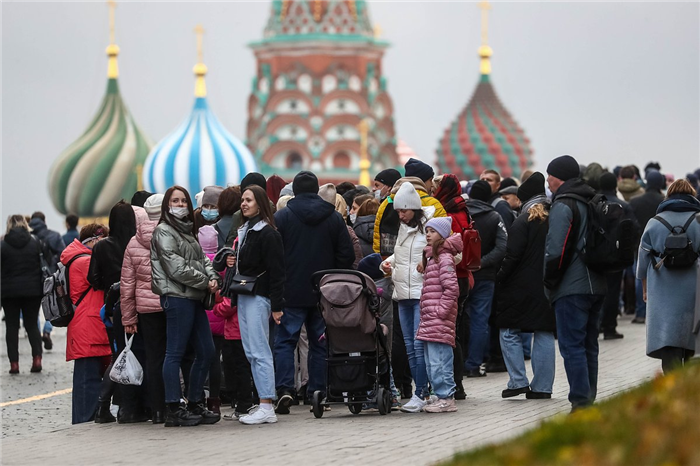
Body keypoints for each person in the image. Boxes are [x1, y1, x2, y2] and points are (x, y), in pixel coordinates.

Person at [273, 171, 355, 414]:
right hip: (324, 291)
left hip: (291, 291)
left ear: (295, 191)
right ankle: (317, 392)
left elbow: (275, 256)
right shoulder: (333, 218)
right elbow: (347, 255)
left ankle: (285, 389)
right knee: (320, 343)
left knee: (285, 342)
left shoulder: (282, 217)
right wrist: (333, 276)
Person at [151, 185, 222, 427]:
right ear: (166, 205)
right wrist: (206, 282)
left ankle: (194, 402)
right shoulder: (163, 231)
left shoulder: (188, 231)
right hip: (177, 297)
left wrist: (213, 277)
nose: (180, 205)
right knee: (175, 353)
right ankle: (173, 407)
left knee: (206, 351)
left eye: (183, 201)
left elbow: (203, 259)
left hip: (193, 297)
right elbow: (176, 268)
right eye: (176, 201)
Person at [544, 155, 606, 412]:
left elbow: (555, 250)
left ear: (558, 177)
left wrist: (549, 281)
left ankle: (580, 403)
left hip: (572, 287)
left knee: (572, 346)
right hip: (597, 283)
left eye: (549, 176)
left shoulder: (563, 204)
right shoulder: (592, 198)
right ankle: (588, 398)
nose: (547, 181)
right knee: (590, 345)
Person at [221, 185, 285, 425]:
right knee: (251, 351)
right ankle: (263, 402)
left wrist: (277, 305)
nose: (244, 204)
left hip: (259, 296)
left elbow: (278, 272)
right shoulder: (247, 230)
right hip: (245, 295)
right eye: (242, 200)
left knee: (259, 350)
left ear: (260, 202)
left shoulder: (267, 233)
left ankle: (267, 404)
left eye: (248, 200)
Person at [494, 173, 555, 399]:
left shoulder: (523, 221)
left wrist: (500, 277)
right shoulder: (555, 214)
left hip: (519, 285)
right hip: (548, 283)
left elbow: (512, 255)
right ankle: (543, 387)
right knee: (544, 330)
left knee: (508, 329)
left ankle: (518, 380)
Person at [381, 182, 436, 413]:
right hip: (402, 293)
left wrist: (429, 259)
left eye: (404, 210)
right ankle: (422, 391)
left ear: (414, 208)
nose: (400, 214)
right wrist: (388, 263)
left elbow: (451, 254)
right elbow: (402, 254)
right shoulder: (403, 228)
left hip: (421, 294)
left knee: (418, 344)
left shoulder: (430, 227)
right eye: (399, 211)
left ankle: (421, 392)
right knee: (410, 346)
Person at [88, 201, 145, 424]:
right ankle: (130, 406)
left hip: (113, 307)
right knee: (137, 354)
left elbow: (92, 279)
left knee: (120, 355)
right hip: (138, 304)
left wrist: (110, 283)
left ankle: (106, 405)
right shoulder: (136, 243)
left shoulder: (102, 246)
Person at [637, 179, 700, 373]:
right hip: (694, 290)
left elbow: (642, 261)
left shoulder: (654, 222)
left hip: (662, 291)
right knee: (692, 341)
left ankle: (673, 389)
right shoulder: (698, 220)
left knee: (668, 342)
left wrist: (645, 290)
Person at [120, 194, 167, 424]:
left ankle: (157, 410)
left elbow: (127, 285)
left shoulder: (132, 242)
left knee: (153, 358)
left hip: (146, 310)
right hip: (172, 304)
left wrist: (128, 317)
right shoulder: (172, 235)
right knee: (175, 355)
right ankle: (173, 403)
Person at [62, 223, 112, 423]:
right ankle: (83, 423)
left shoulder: (78, 258)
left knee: (89, 378)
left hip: (87, 325)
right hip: (87, 327)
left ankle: (85, 420)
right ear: (93, 240)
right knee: (87, 380)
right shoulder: (85, 262)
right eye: (104, 240)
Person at [433, 173, 474, 398]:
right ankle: (455, 383)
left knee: (451, 333)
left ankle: (455, 384)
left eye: (437, 186)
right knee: (455, 330)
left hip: (453, 277)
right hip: (462, 276)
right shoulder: (462, 209)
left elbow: (454, 247)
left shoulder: (448, 213)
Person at [417, 217, 463, 413]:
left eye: (432, 231)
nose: (428, 234)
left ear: (443, 235)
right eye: (426, 231)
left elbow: (452, 288)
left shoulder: (443, 258)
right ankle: (441, 394)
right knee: (432, 361)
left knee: (440, 361)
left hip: (438, 319)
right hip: (431, 319)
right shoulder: (433, 257)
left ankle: (446, 397)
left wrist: (440, 312)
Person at [463, 180, 508, 378]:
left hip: (462, 274)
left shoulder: (461, 215)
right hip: (485, 276)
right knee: (481, 320)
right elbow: (502, 247)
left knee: (461, 318)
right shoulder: (494, 216)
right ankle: (474, 364)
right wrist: (482, 262)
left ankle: (460, 362)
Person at [597, 173, 640, 340]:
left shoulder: (594, 204)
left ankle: (597, 324)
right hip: (615, 257)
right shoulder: (623, 206)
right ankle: (609, 327)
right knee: (613, 292)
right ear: (615, 185)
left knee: (597, 291)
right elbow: (634, 228)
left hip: (597, 256)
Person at [0, 215, 45, 374]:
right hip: (33, 291)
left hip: (9, 292)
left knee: (11, 328)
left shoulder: (2, 245)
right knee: (32, 325)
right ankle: (37, 359)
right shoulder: (35, 242)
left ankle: (14, 364)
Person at [373, 160, 445, 256]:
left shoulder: (387, 202)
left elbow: (378, 239)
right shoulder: (432, 204)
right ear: (422, 180)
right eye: (430, 180)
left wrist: (382, 263)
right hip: (426, 265)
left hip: (390, 264)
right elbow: (446, 237)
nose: (432, 184)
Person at [629, 170, 666, 324]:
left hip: (640, 244)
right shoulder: (663, 201)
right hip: (661, 247)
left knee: (640, 277)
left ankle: (640, 312)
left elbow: (631, 224)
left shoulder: (635, 201)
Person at [198, 225, 226, 415]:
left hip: (202, 319)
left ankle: (198, 396)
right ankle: (214, 400)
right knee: (216, 359)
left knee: (200, 358)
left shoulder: (197, 263)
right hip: (220, 317)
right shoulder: (222, 263)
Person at [29, 211, 66, 350]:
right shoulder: (54, 235)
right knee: (53, 307)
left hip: (32, 279)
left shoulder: (29, 238)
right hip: (51, 276)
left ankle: (37, 334)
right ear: (44, 221)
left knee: (34, 312)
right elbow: (63, 255)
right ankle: (47, 330)